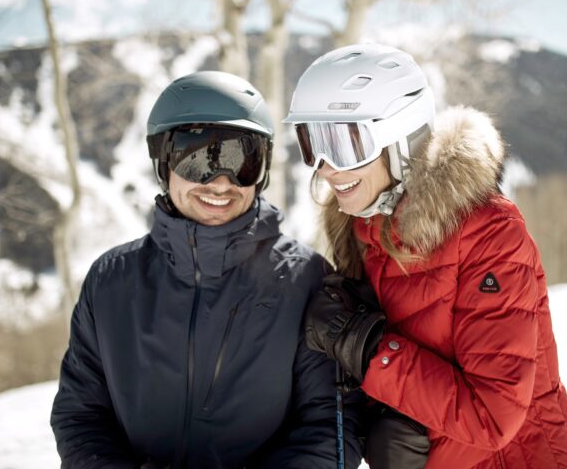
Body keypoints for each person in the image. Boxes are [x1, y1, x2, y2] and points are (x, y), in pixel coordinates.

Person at [284, 44, 567, 469]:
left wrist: (367, 346)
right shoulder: (362, 228)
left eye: (344, 144)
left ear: (400, 137)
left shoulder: (488, 233)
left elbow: (493, 415)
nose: (325, 167)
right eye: (312, 143)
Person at [51, 71, 363, 469]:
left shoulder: (306, 281)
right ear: (164, 162)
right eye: (198, 160)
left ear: (262, 172)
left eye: (242, 162)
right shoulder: (111, 281)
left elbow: (332, 426)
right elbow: (82, 415)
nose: (220, 183)